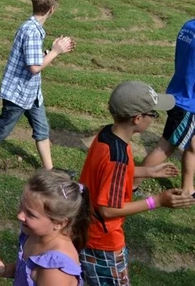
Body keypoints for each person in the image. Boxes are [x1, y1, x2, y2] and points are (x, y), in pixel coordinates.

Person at [79, 81, 195, 286]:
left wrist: (147, 171)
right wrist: (157, 201)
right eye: (153, 114)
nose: (153, 119)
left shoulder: (106, 135)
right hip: (104, 243)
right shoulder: (118, 157)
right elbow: (107, 209)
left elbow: (105, 173)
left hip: (85, 230)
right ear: (138, 118)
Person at [0, 0, 75, 174]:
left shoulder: (32, 27)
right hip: (18, 93)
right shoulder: (32, 32)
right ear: (52, 10)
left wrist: (49, 52)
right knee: (1, 130)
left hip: (31, 92)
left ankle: (50, 171)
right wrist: (57, 52)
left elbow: (31, 57)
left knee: (42, 129)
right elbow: (34, 67)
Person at [0, 169, 89, 286]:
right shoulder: (35, 234)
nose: (19, 216)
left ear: (59, 223)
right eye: (21, 206)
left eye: (30, 214)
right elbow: (30, 270)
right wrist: (7, 270)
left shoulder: (55, 270)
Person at [133, 20, 195, 197]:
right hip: (189, 103)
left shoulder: (189, 26)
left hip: (179, 91)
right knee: (165, 147)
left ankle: (188, 189)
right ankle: (131, 184)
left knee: (193, 145)